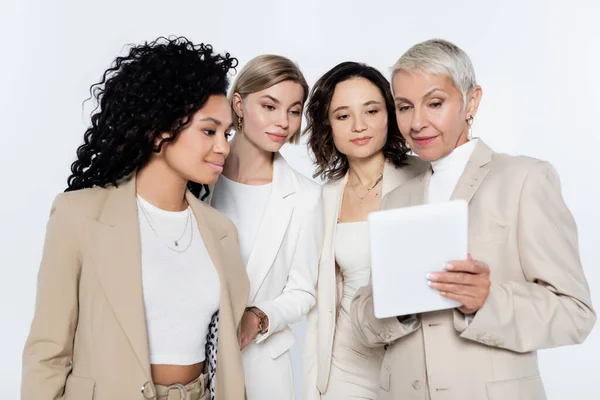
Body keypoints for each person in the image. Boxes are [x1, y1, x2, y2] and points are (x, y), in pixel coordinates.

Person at [351, 39, 596, 400]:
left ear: (472, 101)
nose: (417, 122)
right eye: (405, 107)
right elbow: (364, 320)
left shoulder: (525, 179)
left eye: (435, 103)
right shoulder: (396, 200)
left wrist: (487, 300)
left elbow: (575, 313)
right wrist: (396, 310)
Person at [21, 37, 249, 400]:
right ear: (159, 129)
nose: (223, 146)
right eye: (209, 131)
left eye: (227, 133)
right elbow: (48, 351)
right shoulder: (79, 215)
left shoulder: (221, 232)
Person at [302, 62, 427, 399]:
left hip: (414, 352)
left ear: (390, 113)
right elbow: (319, 298)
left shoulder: (425, 176)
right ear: (328, 125)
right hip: (348, 358)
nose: (359, 126)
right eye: (343, 116)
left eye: (371, 111)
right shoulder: (324, 197)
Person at [209, 54, 324, 400]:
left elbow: (304, 291)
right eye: (270, 106)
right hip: (188, 357)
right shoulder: (197, 178)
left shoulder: (306, 197)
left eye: (293, 110)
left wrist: (259, 317)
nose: (283, 122)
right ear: (239, 104)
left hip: (263, 365)